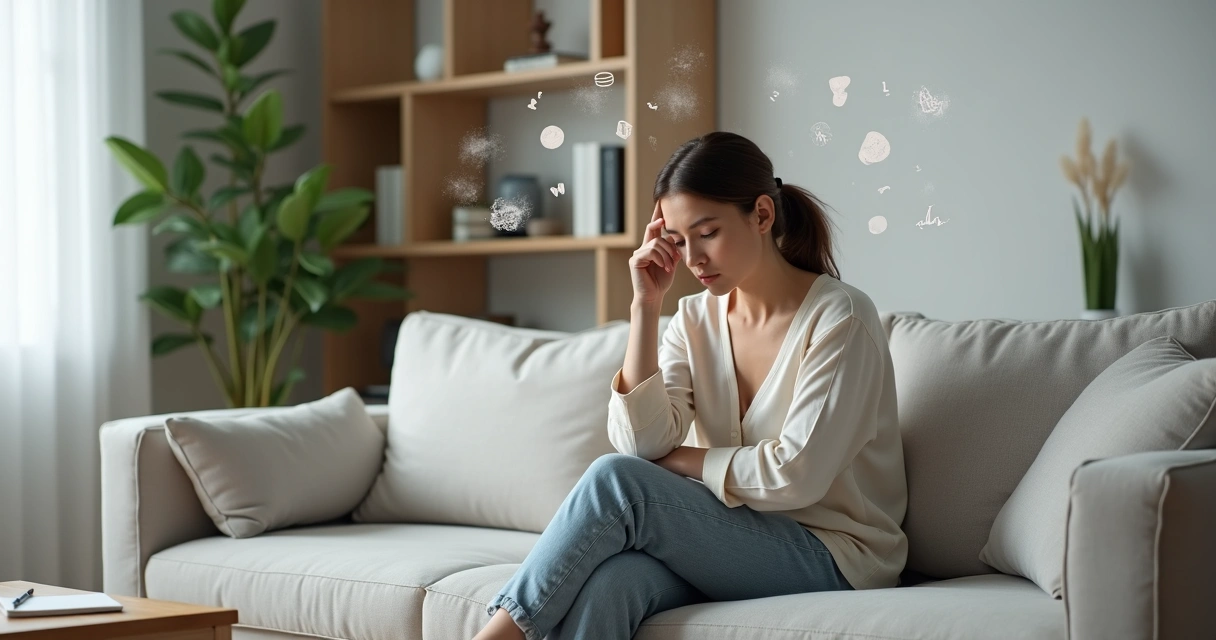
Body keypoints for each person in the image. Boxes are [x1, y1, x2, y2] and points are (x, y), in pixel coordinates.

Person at [473, 131, 907, 640]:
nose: (693, 258)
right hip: (730, 535)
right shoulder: (693, 318)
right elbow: (642, 443)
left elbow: (796, 475)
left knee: (617, 479)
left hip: (837, 556)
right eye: (678, 241)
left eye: (707, 233)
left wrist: (677, 461)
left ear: (762, 215)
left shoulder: (841, 318)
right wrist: (645, 306)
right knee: (614, 583)